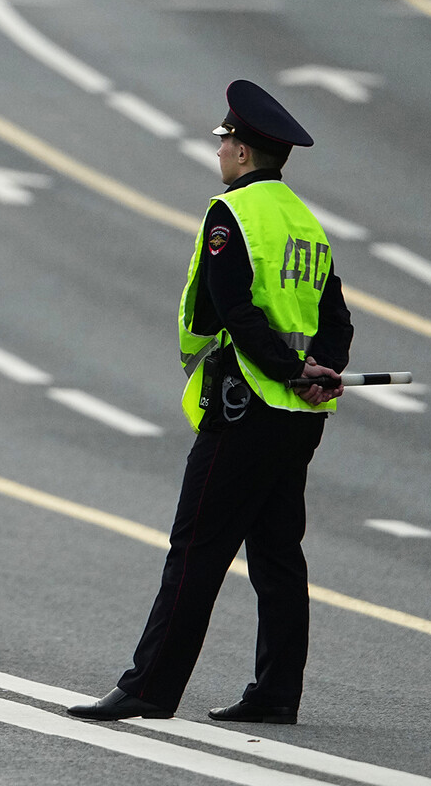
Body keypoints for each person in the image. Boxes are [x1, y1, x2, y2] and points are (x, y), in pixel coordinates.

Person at [68, 79, 353, 724]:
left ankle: (149, 687)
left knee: (196, 548)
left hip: (245, 402)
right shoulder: (306, 223)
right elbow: (337, 319)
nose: (220, 150)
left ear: (244, 153)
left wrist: (286, 368)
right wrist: (321, 370)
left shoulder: (233, 215)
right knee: (278, 555)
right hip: (300, 415)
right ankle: (277, 693)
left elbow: (234, 311)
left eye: (225, 140)